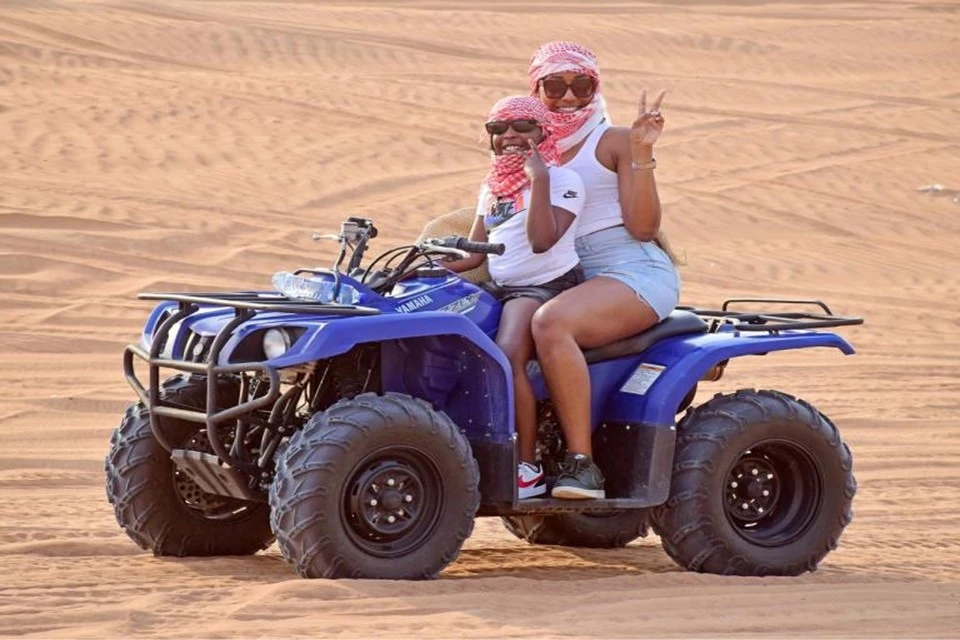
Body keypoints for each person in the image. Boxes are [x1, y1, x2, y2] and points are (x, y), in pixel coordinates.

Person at [527, 41, 681, 500]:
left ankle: (582, 464)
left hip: (632, 270)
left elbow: (644, 226)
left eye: (582, 84)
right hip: (570, 275)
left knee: (551, 324)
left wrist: (642, 153)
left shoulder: (611, 139)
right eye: (555, 85)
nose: (569, 95)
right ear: (536, 88)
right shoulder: (533, 145)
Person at [444, 95, 586, 499]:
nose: (510, 136)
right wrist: (429, 266)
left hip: (545, 286)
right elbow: (474, 254)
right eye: (498, 129)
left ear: (544, 133)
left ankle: (527, 467)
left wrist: (538, 178)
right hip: (502, 287)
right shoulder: (492, 187)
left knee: (506, 354)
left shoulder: (563, 181)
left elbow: (542, 241)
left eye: (523, 127)